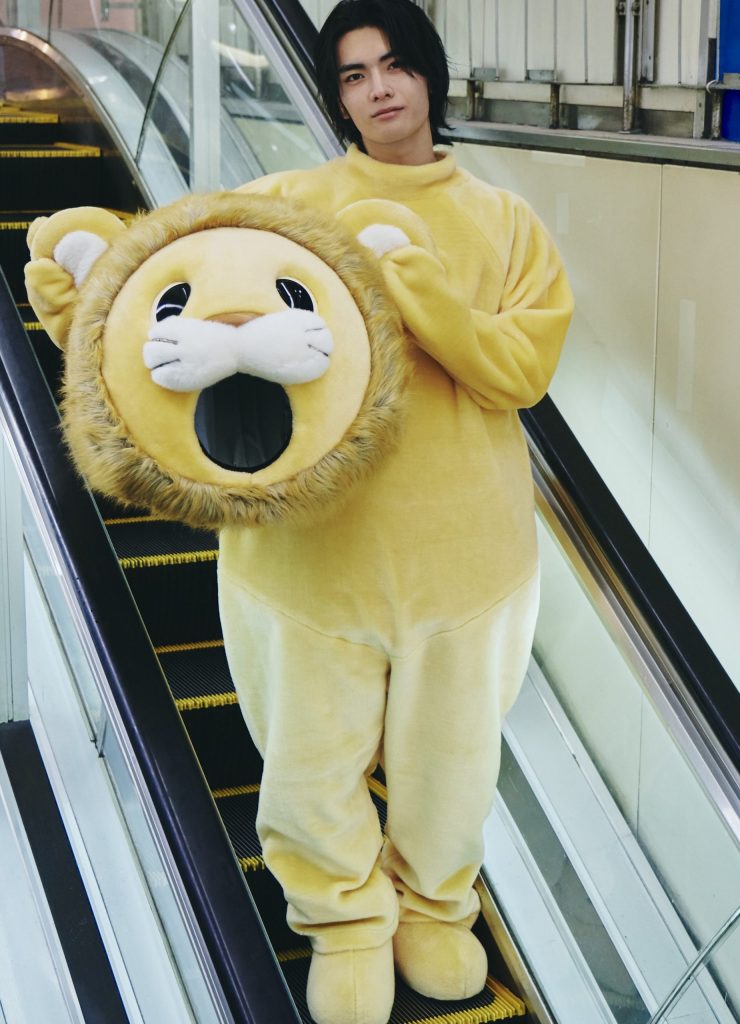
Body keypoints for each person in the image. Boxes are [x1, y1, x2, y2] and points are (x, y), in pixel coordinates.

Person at [225, 2, 574, 1022]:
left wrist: (410, 279)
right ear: (336, 97)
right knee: (309, 759)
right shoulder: (286, 203)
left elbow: (519, 370)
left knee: (451, 765)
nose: (378, 89)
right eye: (352, 75)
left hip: (467, 558)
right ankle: (342, 923)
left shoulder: (505, 222)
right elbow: (198, 295)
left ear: (429, 75)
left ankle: (433, 910)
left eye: (394, 66)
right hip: (310, 551)